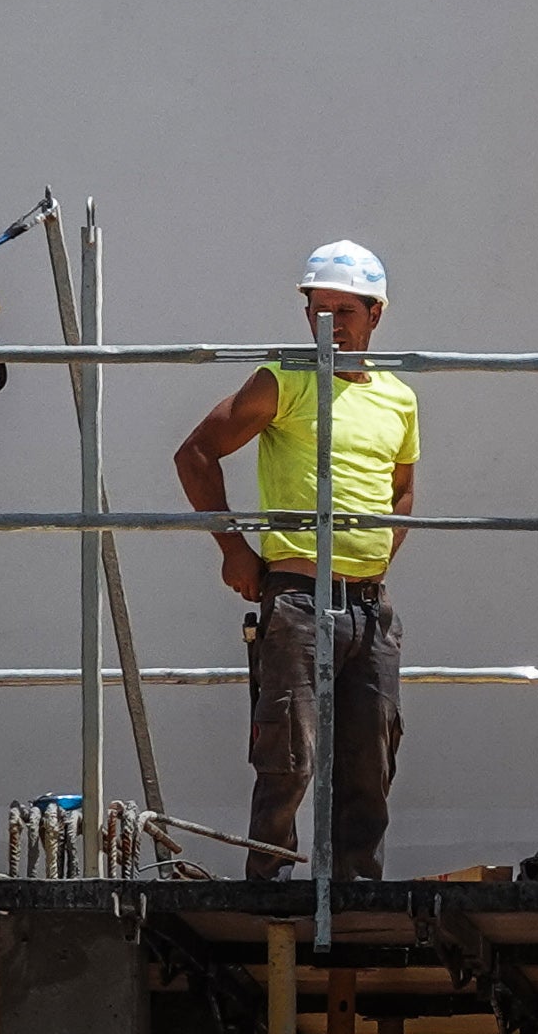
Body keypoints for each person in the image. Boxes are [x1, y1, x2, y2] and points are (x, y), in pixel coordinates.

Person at [173, 239, 418, 879]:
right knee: (289, 758)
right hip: (301, 600)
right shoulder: (284, 379)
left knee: (371, 759)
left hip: (370, 608)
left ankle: (356, 894)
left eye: (346, 310)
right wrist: (233, 549)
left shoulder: (398, 396)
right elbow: (195, 453)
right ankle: (270, 897)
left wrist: (376, 558)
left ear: (376, 315)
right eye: (319, 309)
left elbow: (403, 488)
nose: (330, 323)